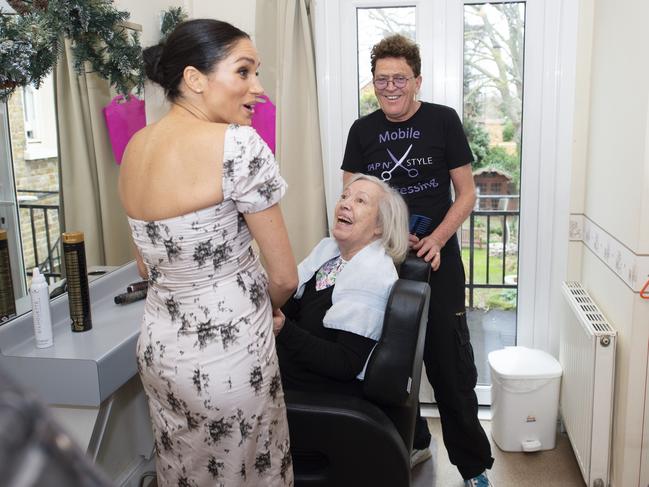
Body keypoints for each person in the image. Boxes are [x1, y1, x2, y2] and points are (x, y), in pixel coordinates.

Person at [118, 19, 297, 487]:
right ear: (195, 79)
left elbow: (146, 264)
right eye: (244, 72)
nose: (257, 88)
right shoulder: (237, 145)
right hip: (228, 357)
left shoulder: (136, 146)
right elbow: (284, 277)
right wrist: (267, 309)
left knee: (185, 473)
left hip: (160, 353)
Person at [341, 34, 494, 487]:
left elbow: (467, 193)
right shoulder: (361, 131)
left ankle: (473, 467)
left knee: (450, 368)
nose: (390, 87)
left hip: (437, 260)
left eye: (399, 79)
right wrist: (386, 233)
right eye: (381, 79)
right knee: (388, 363)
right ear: (373, 82)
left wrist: (437, 239)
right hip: (380, 260)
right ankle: (414, 441)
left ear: (417, 81)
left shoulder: (443, 121)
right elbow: (352, 198)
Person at [274, 174, 408, 395]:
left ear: (380, 227)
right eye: (344, 196)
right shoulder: (328, 254)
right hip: (295, 366)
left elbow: (345, 363)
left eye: (360, 200)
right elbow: (294, 306)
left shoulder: (373, 273)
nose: (345, 203)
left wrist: (283, 329)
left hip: (323, 387)